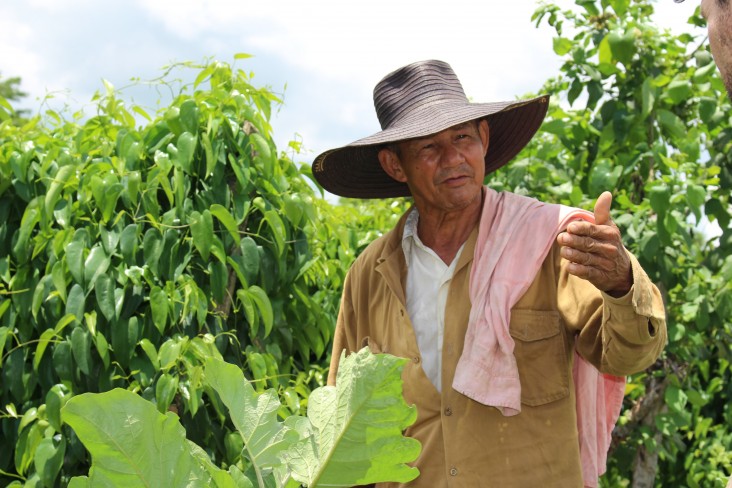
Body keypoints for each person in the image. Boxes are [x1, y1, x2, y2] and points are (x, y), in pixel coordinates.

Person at [312, 60, 666, 487]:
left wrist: (621, 282)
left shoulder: (552, 242)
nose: (453, 158)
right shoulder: (369, 276)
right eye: (428, 147)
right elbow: (343, 424)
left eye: (462, 137)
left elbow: (629, 355)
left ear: (483, 139)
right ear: (395, 165)